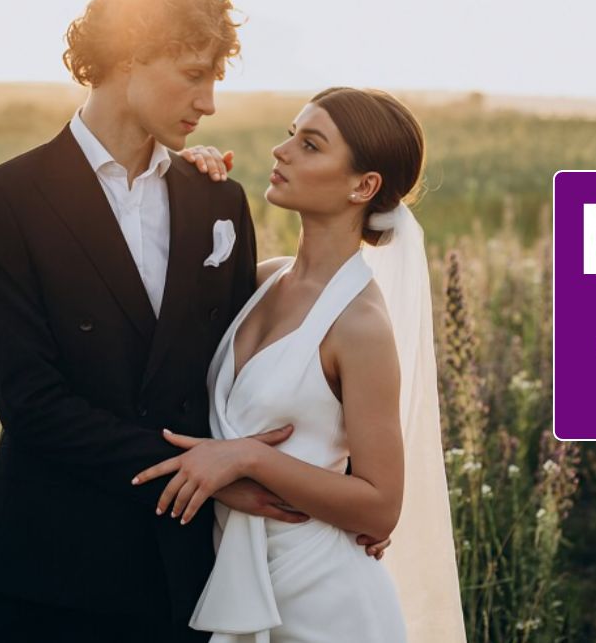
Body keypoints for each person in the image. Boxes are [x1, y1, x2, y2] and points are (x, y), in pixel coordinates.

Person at [0, 0, 395, 641]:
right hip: (53, 567)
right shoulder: (7, 199)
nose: (209, 103)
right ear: (130, 54)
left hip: (190, 575)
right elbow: (29, 400)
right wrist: (208, 475)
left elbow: (253, 369)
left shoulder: (216, 199)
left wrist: (335, 499)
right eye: (194, 75)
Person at [136, 87, 466, 641]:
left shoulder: (359, 324)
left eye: (309, 145)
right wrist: (189, 182)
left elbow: (381, 507)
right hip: (234, 573)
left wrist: (248, 459)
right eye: (291, 133)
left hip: (324, 599)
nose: (281, 150)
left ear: (364, 186)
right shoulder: (263, 280)